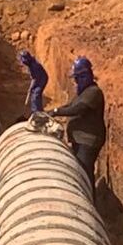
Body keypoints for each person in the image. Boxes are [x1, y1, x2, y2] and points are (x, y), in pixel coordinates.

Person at [48, 56, 106, 186]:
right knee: (80, 170)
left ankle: (90, 200)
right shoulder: (83, 93)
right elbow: (70, 106)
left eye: (76, 78)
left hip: (88, 140)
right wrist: (52, 112)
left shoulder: (94, 92)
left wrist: (57, 112)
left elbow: (79, 109)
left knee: (85, 172)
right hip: (80, 140)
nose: (75, 82)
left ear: (84, 77)